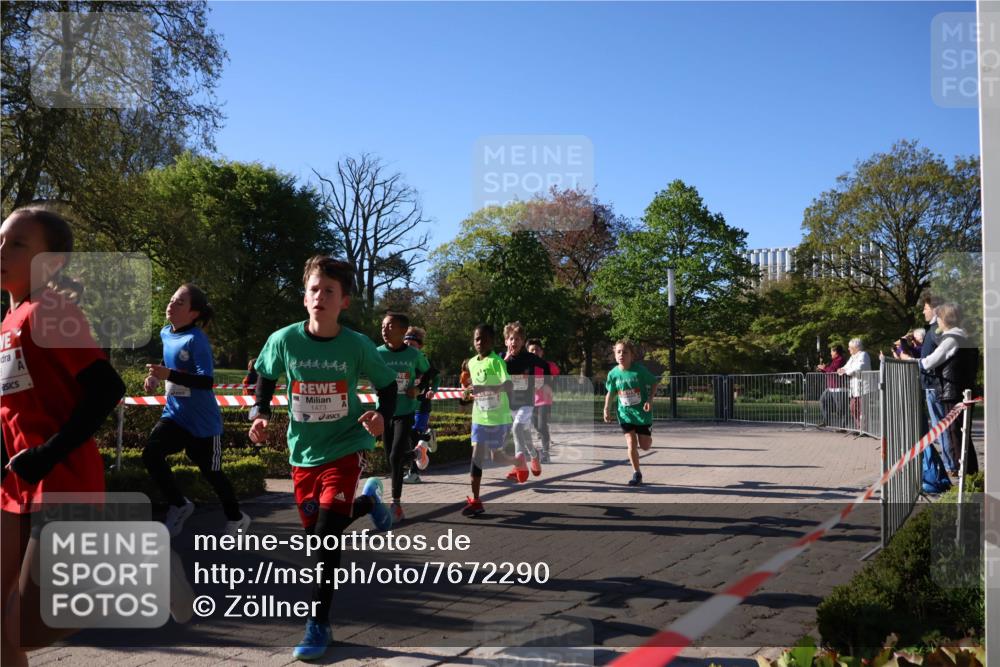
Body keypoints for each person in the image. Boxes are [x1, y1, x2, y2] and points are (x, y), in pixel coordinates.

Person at [248, 255, 398, 661]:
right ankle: (369, 502)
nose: (320, 296)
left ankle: (318, 624)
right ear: (305, 297)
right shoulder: (284, 340)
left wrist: (381, 417)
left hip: (345, 447)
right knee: (318, 528)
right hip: (303, 454)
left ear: (344, 301)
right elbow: (265, 377)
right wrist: (260, 413)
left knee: (324, 541)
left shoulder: (358, 345)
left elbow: (387, 387)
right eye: (314, 289)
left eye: (329, 291)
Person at [1, 208, 126, 666]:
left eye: (17, 244)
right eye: (1, 240)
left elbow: (108, 388)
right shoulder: (9, 322)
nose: (1, 252)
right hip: (16, 485)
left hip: (61, 479)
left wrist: (47, 453)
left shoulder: (50, 309)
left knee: (25, 626)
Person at [142, 284, 250, 537]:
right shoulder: (166, 332)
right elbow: (168, 362)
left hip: (202, 422)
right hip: (175, 415)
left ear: (193, 313)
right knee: (151, 454)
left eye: (179, 303)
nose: (171, 305)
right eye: (171, 300)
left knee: (212, 473)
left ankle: (236, 518)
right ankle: (179, 504)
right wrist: (156, 377)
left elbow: (206, 381)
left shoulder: (196, 339)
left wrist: (169, 374)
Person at [461, 324, 523, 516]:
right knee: (476, 456)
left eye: (484, 338)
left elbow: (508, 384)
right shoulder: (471, 363)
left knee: (496, 457)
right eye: (476, 339)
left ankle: (517, 462)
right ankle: (476, 500)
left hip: (498, 418)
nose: (479, 342)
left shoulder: (497, 362)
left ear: (492, 341)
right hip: (479, 417)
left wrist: (492, 389)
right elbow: (473, 387)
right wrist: (467, 394)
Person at [377, 312, 431, 521]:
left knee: (394, 457)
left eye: (389, 326)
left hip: (406, 411)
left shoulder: (413, 355)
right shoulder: (377, 353)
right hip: (384, 412)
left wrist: (418, 390)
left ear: (402, 330)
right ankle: (418, 453)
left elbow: (429, 374)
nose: (384, 329)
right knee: (391, 459)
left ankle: (396, 504)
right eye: (382, 326)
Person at [917, 303, 979, 476]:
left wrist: (915, 362)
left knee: (956, 436)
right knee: (961, 434)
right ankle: (971, 474)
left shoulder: (951, 339)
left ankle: (966, 475)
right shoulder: (965, 337)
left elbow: (929, 362)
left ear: (945, 319)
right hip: (961, 390)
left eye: (940, 317)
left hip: (952, 392)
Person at [603, 340, 660, 486]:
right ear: (615, 355)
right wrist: (606, 409)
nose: (621, 355)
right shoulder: (613, 373)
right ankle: (637, 473)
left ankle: (649, 435)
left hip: (642, 414)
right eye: (618, 352)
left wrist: (650, 400)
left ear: (632, 355)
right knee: (631, 443)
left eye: (625, 352)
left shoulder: (639, 371)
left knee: (645, 446)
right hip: (625, 413)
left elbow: (654, 383)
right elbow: (611, 392)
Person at [502, 323, 550, 480]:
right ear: (506, 341)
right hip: (511, 403)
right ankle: (534, 456)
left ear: (522, 341)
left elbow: (546, 367)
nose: (514, 342)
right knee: (524, 435)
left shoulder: (529, 358)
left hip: (527, 403)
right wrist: (505, 360)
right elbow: (495, 375)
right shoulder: (502, 358)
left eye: (517, 339)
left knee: (516, 429)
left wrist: (544, 384)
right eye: (511, 339)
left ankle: (519, 464)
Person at [914, 292, 954, 472]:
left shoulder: (937, 333)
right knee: (940, 427)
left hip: (934, 386)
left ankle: (950, 464)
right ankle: (950, 462)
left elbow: (932, 360)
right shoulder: (933, 331)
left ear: (935, 310)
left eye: (925, 308)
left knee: (941, 427)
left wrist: (914, 361)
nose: (923, 311)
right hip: (932, 385)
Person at [402, 326, 440, 484]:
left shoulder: (424, 361)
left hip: (422, 404)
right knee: (409, 437)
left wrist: (433, 390)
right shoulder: (402, 360)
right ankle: (428, 436)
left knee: (414, 435)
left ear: (420, 346)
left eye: (412, 344)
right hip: (406, 405)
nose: (408, 347)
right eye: (406, 343)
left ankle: (414, 473)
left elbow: (436, 377)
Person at [526, 338, 559, 463]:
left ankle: (545, 453)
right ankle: (544, 436)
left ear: (541, 352)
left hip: (545, 400)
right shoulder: (526, 367)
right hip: (530, 401)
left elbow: (555, 371)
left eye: (537, 350)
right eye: (532, 350)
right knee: (536, 425)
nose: (534, 352)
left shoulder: (547, 365)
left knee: (541, 425)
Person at [837, 338, 871, 431]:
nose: (848, 349)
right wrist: (841, 369)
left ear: (856, 347)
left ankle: (863, 429)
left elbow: (859, 367)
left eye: (850, 347)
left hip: (863, 387)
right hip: (854, 388)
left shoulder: (864, 355)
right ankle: (859, 427)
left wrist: (846, 371)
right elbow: (846, 367)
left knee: (862, 410)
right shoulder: (852, 357)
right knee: (853, 408)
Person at [816, 344, 847, 428]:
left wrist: (824, 367)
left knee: (840, 408)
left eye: (831, 351)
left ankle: (843, 426)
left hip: (838, 388)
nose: (830, 353)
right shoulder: (834, 360)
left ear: (836, 352)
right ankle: (827, 421)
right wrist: (822, 369)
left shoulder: (840, 360)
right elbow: (829, 371)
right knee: (823, 401)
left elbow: (833, 370)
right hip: (830, 387)